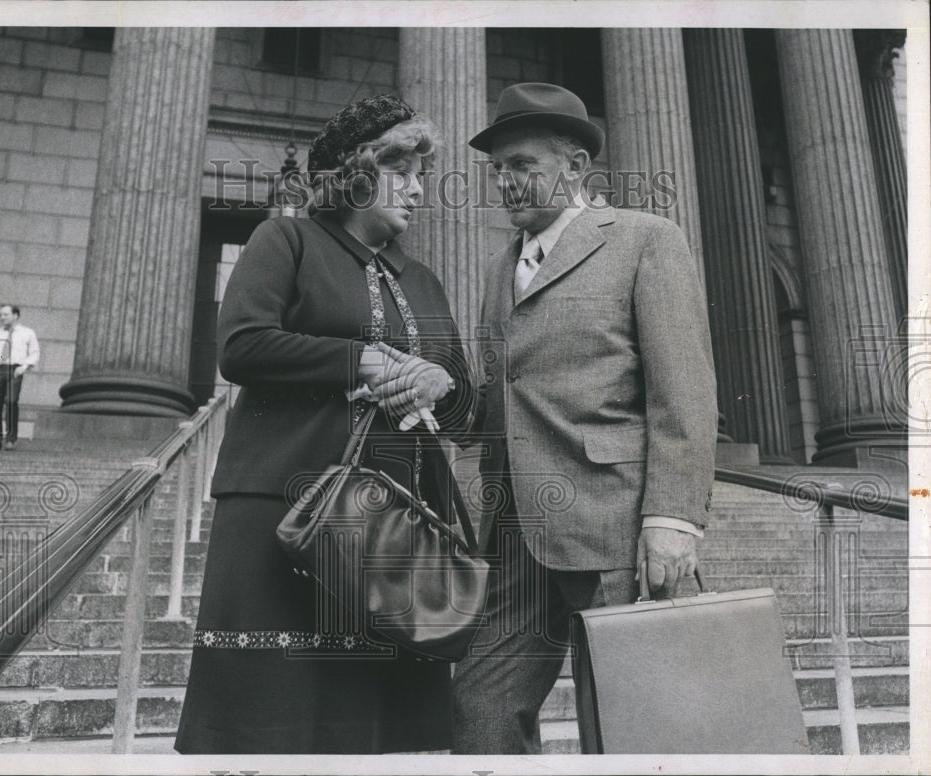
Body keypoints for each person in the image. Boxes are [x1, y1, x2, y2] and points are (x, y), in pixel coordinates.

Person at [174, 94, 474, 754]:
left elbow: (467, 409)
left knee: (368, 732)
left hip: (389, 534)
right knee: (267, 724)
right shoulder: (285, 241)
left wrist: (442, 379)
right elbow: (242, 345)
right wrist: (359, 360)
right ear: (360, 172)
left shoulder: (422, 281)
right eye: (406, 172)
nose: (420, 191)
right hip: (280, 511)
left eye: (424, 175)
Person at [451, 83, 718, 754]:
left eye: (522, 166)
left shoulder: (644, 241)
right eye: (498, 169)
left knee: (628, 718)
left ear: (573, 165)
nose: (505, 183)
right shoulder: (496, 269)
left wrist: (674, 517)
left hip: (614, 525)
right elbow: (500, 395)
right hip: (516, 528)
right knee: (481, 706)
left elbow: (682, 388)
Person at [0, 304, 40, 453]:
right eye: (1, 315)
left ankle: (11, 439)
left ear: (15, 315)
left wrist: (24, 367)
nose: (2, 317)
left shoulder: (27, 333)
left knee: (11, 401)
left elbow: (34, 353)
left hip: (15, 370)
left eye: (5, 314)